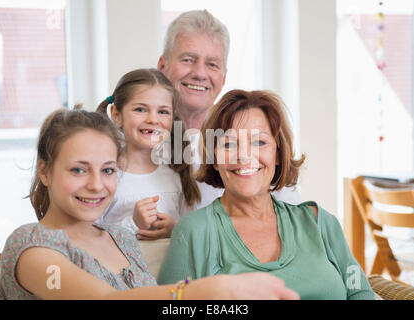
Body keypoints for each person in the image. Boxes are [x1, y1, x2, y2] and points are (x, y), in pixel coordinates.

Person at [0, 107, 299, 300]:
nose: (96, 185)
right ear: (45, 171)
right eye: (78, 169)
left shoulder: (120, 238)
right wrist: (215, 289)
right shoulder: (31, 246)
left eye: (107, 170)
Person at [158, 90, 375, 300]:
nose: (244, 156)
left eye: (259, 142)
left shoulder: (319, 222)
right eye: (230, 144)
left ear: (278, 154)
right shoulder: (193, 232)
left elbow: (358, 289)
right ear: (215, 158)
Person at [157, 9, 301, 208]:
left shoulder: (252, 143)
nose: (200, 73)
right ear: (162, 66)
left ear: (224, 77)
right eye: (188, 60)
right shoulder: (134, 140)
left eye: (212, 64)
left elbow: (290, 215)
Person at [96, 69, 200, 240]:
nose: (153, 119)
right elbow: (90, 238)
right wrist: (133, 223)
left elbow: (189, 234)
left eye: (163, 112)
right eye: (140, 109)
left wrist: (175, 229)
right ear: (116, 115)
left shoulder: (177, 173)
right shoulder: (104, 176)